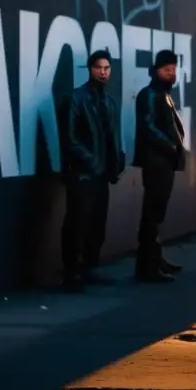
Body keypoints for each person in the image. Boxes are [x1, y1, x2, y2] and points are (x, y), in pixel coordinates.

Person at [60, 50, 124, 291]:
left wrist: (116, 162)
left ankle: (87, 269)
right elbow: (70, 138)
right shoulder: (76, 98)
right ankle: (71, 273)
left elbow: (113, 137)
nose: (104, 72)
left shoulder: (109, 102)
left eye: (107, 68)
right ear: (90, 69)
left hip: (102, 175)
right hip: (82, 173)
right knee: (77, 222)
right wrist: (94, 163)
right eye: (99, 67)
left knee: (97, 224)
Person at [133, 50, 186, 283]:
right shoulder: (150, 94)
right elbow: (147, 127)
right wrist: (171, 147)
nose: (171, 74)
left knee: (157, 214)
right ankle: (148, 267)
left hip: (164, 161)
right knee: (152, 214)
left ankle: (155, 259)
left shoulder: (163, 94)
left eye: (173, 70)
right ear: (156, 71)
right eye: (167, 70)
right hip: (156, 162)